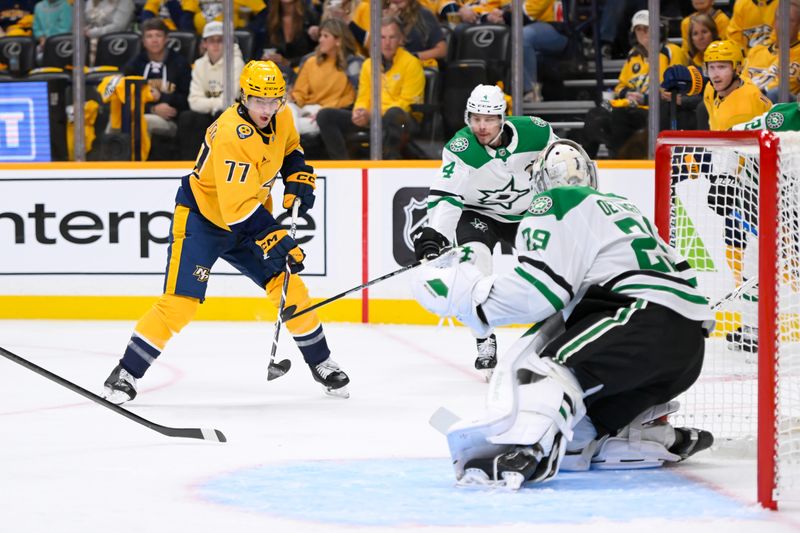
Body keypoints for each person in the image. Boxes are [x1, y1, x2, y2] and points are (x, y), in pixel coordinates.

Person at [413, 143, 714, 488]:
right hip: (688, 346)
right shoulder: (624, 208)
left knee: (548, 372)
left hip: (642, 319)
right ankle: (646, 436)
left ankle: (525, 450)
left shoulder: (556, 202)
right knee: (579, 430)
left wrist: (468, 297)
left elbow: (538, 292)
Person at [102, 60, 351, 404]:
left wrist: (298, 176)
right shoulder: (233, 134)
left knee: (288, 285)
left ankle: (321, 363)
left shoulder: (283, 116)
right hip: (203, 220)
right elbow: (237, 210)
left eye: (273, 100)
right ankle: (125, 371)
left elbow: (291, 149)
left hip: (247, 216)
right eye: (258, 100)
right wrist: (275, 236)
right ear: (243, 97)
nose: (266, 109)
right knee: (180, 303)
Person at [410, 83, 559, 380]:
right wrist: (436, 234)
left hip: (526, 215)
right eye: (476, 118)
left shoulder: (537, 132)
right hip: (479, 215)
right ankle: (484, 340)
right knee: (475, 268)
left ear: (503, 118)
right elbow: (447, 193)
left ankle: (554, 342)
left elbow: (562, 165)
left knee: (551, 271)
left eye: (489, 119)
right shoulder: (461, 148)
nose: (481, 126)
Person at [316, 15, 424, 159]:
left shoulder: (412, 63)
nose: (387, 43)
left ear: (401, 39)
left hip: (404, 122)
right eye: (382, 37)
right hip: (372, 117)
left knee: (393, 114)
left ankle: (388, 165)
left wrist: (373, 114)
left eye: (392, 37)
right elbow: (363, 97)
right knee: (325, 115)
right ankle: (343, 167)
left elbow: (407, 104)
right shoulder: (369, 64)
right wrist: (359, 112)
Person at [122, 17, 192, 158]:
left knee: (143, 122)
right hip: (141, 113)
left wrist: (163, 98)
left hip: (171, 120)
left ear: (166, 39)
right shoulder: (135, 65)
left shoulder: (180, 63)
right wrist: (152, 109)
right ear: (143, 41)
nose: (154, 40)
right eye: (149, 36)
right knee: (117, 119)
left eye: (158, 35)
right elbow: (123, 97)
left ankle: (137, 169)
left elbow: (188, 99)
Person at [178, 20, 245, 160]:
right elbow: (194, 101)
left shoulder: (236, 63)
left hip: (232, 113)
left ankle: (224, 161)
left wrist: (209, 104)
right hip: (208, 112)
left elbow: (230, 100)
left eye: (220, 40)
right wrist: (215, 104)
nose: (215, 44)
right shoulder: (199, 64)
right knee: (188, 118)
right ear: (204, 44)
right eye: (211, 40)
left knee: (222, 116)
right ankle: (190, 162)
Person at [287, 18, 361, 141]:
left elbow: (350, 98)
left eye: (325, 36)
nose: (320, 40)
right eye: (320, 35)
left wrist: (323, 111)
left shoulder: (352, 64)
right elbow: (299, 92)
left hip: (327, 112)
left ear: (338, 40)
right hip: (305, 109)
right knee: (287, 108)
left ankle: (288, 152)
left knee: (293, 126)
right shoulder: (310, 61)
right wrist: (293, 99)